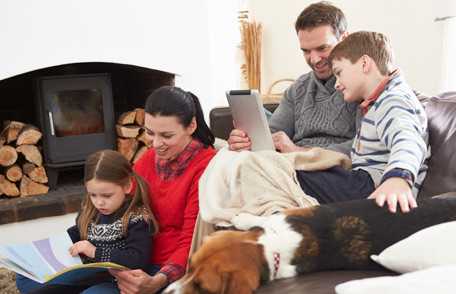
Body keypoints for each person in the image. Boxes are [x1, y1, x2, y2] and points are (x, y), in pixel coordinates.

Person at [296, 31, 429, 213]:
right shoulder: (379, 100)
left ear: (365, 64)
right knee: (300, 169)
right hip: (363, 181)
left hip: (373, 188)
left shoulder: (393, 100)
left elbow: (408, 139)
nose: (337, 84)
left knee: (292, 175)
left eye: (339, 73)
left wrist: (398, 178)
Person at [110, 86, 216, 293]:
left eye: (167, 135)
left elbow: (192, 242)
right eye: (150, 133)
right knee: (35, 279)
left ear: (191, 125)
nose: (156, 144)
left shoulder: (207, 168)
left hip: (167, 269)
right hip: (134, 254)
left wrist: (156, 282)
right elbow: (124, 206)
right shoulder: (150, 159)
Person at [16, 149, 157, 294]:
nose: (99, 202)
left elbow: (138, 260)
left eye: (107, 195)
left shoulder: (137, 218)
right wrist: (44, 252)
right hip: (88, 274)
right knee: (25, 278)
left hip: (117, 281)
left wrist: (94, 251)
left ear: (127, 186)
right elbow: (75, 234)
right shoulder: (91, 211)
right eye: (93, 195)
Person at [228, 1, 359, 155]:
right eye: (306, 51)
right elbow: (271, 135)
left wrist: (300, 151)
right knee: (228, 155)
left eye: (322, 48)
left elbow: (366, 147)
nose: (314, 59)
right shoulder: (298, 89)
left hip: (330, 167)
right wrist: (245, 141)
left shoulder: (362, 86)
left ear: (344, 39)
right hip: (290, 165)